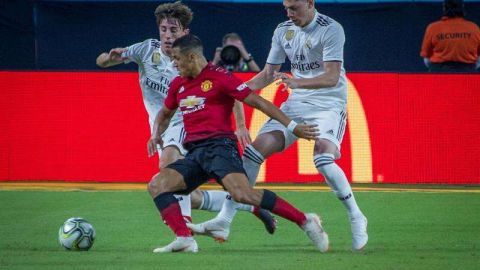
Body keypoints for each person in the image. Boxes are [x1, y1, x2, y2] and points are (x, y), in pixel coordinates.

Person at [188, 0, 368, 251]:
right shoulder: (283, 31)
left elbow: (332, 76)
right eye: (286, 8)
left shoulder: (331, 28)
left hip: (328, 103)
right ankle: (224, 220)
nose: (289, 13)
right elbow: (268, 74)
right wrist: (236, 89)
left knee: (323, 159)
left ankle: (356, 216)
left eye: (294, 8)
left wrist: (298, 83)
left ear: (310, 3)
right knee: (252, 152)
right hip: (297, 103)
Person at [95, 1, 275, 231]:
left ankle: (185, 234)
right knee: (188, 193)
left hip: (186, 122)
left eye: (173, 30)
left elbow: (230, 89)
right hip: (161, 125)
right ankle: (252, 205)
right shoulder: (145, 50)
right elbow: (101, 61)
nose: (167, 36)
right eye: (163, 29)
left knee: (168, 165)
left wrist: (240, 125)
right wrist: (110, 58)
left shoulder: (192, 61)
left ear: (185, 32)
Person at [146, 34, 329, 253]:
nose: (173, 64)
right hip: (195, 153)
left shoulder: (221, 77)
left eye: (176, 59)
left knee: (243, 194)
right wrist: (156, 134)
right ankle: (185, 238)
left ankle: (306, 221)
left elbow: (259, 102)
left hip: (220, 148)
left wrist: (292, 127)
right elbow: (164, 114)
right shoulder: (178, 84)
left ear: (192, 57)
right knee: (157, 185)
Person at [420, 0, 480, 72]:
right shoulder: (474, 28)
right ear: (463, 8)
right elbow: (478, 59)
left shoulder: (433, 28)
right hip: (468, 75)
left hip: (439, 74)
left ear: (444, 8)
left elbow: (426, 58)